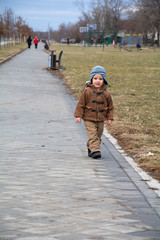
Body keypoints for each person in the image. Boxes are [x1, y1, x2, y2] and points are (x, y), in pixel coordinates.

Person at [74, 66, 114, 159]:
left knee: (98, 135)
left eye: (100, 79)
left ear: (104, 80)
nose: (97, 81)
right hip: (88, 118)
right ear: (91, 79)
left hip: (100, 118)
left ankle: (90, 148)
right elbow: (80, 104)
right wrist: (78, 116)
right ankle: (96, 150)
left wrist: (109, 118)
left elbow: (110, 107)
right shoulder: (87, 91)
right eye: (95, 78)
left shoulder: (106, 93)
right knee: (92, 134)